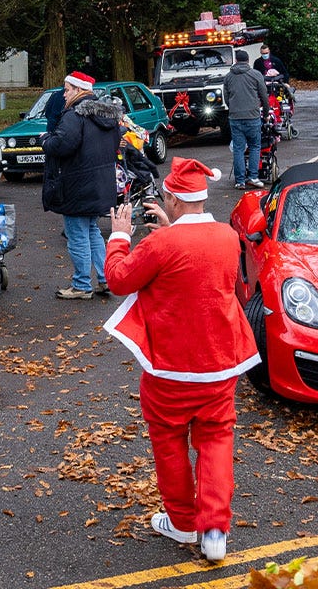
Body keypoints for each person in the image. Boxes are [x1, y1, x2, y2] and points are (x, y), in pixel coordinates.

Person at [102, 157, 260, 564]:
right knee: (216, 438)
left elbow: (120, 279)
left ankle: (183, 522)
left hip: (169, 366)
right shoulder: (227, 236)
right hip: (222, 361)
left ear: (172, 198)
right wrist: (169, 234)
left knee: (169, 443)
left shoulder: (162, 244)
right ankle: (214, 531)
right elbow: (199, 262)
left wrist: (120, 236)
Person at [41, 71, 122, 299]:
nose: (64, 95)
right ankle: (106, 278)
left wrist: (46, 140)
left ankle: (81, 285)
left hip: (77, 185)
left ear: (78, 90)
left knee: (76, 234)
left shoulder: (74, 116)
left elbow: (61, 145)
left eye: (67, 89)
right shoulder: (108, 115)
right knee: (93, 231)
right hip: (100, 184)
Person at [221, 50, 270, 190]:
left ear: (236, 60)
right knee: (255, 146)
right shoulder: (255, 75)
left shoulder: (229, 77)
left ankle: (240, 181)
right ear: (248, 60)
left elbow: (226, 97)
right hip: (252, 116)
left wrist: (233, 109)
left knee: (238, 149)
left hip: (235, 117)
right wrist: (265, 112)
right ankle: (253, 177)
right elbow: (263, 95)